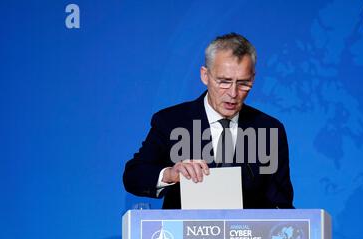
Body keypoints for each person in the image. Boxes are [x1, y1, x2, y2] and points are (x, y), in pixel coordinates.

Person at [123, 33, 294, 209]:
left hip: (248, 235)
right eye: (224, 82)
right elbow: (134, 175)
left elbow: (281, 204)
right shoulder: (171, 121)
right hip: (184, 234)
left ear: (253, 78)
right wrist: (170, 174)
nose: (233, 93)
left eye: (243, 83)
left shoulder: (269, 129)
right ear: (205, 75)